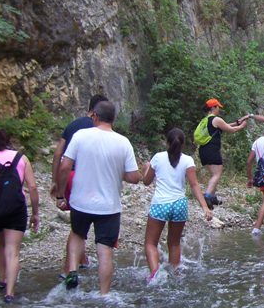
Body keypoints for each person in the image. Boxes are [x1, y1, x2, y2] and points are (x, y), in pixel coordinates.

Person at [56, 100, 141, 294]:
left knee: (77, 236)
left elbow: (64, 166)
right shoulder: (123, 142)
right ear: (113, 119)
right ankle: (104, 295)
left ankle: (72, 271)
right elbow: (134, 177)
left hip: (80, 202)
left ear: (94, 115)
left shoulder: (80, 136)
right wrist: (118, 171)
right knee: (105, 251)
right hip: (109, 207)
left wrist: (61, 194)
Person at [0, 130, 40, 303]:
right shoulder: (21, 159)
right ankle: (10, 294)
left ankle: (1, 280)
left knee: (1, 242)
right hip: (15, 209)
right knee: (12, 250)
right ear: (9, 141)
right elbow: (32, 187)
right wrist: (35, 213)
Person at [142, 128, 211, 282]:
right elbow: (194, 185)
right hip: (179, 205)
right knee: (174, 243)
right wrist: (205, 207)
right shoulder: (188, 160)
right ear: (183, 143)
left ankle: (155, 275)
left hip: (161, 204)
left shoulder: (158, 158)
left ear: (167, 142)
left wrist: (145, 168)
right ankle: (175, 274)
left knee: (150, 243)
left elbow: (146, 182)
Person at [50, 93, 108, 274]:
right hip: (86, 177)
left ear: (89, 108)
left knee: (79, 218)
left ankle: (82, 259)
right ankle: (68, 270)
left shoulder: (73, 125)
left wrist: (56, 182)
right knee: (78, 227)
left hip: (68, 176)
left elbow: (58, 154)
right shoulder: (100, 129)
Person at [195, 97, 248, 209]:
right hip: (212, 150)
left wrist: (237, 122)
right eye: (218, 107)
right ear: (214, 107)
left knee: (214, 174)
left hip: (203, 150)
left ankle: (213, 197)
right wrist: (241, 126)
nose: (219, 109)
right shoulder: (216, 119)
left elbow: (225, 125)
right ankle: (208, 196)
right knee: (216, 174)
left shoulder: (206, 120)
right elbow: (231, 130)